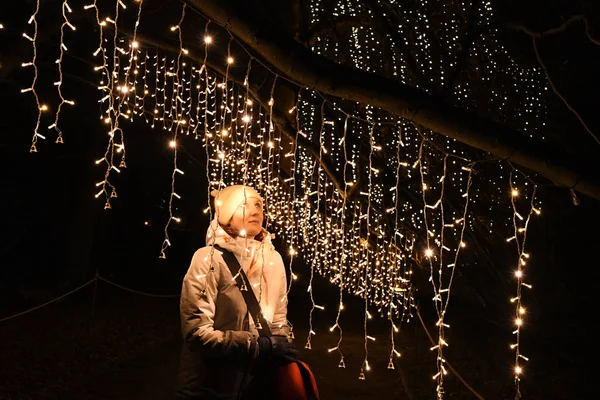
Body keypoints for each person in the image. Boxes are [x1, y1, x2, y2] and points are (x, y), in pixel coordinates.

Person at [176, 184, 297, 400]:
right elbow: (196, 334)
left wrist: (280, 347)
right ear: (227, 216)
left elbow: (278, 319)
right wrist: (257, 345)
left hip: (256, 385)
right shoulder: (208, 258)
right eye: (244, 205)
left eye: (259, 205)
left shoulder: (273, 259)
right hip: (208, 387)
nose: (255, 211)